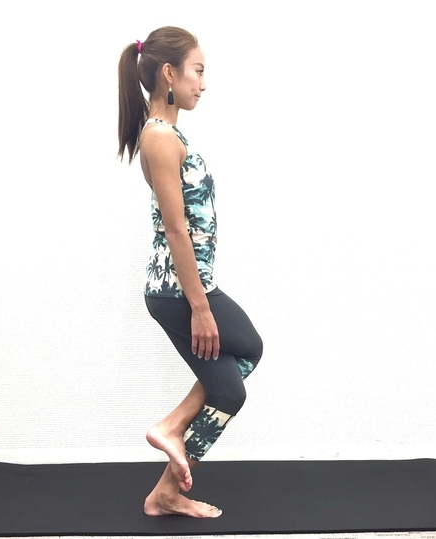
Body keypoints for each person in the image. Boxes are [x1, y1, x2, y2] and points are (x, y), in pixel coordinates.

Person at [117, 26, 263, 519]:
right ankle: (171, 429)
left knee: (232, 384)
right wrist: (200, 306)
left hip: (186, 285)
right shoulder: (159, 137)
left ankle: (164, 488)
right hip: (177, 289)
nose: (203, 83)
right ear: (169, 73)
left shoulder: (168, 134)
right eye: (197, 71)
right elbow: (176, 229)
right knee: (245, 356)